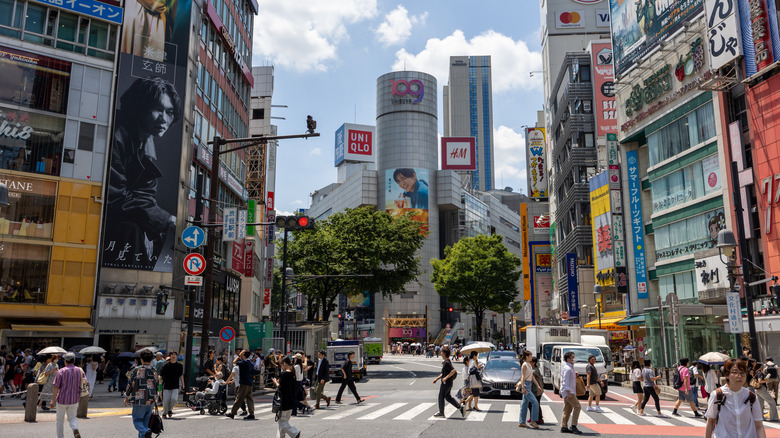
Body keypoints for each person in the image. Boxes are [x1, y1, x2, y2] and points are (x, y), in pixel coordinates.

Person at [104, 77, 181, 271]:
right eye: (157, 109)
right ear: (139, 106)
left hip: (119, 221)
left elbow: (144, 196)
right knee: (132, 232)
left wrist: (158, 224)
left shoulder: (145, 143)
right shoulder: (116, 136)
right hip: (98, 217)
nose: (163, 119)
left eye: (169, 112)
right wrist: (167, 220)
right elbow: (115, 197)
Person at [705, 358, 767, 438]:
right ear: (726, 375)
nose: (739, 376)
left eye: (742, 373)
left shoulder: (751, 396)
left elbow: (759, 426)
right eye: (735, 372)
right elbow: (710, 422)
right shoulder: (717, 395)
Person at [124, 349, 158, 438]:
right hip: (150, 399)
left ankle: (145, 431)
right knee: (145, 422)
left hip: (139, 399)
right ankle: (145, 431)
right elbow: (157, 384)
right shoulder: (154, 370)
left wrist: (127, 396)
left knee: (137, 420)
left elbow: (130, 384)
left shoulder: (137, 370)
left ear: (141, 359)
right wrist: (156, 397)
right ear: (151, 360)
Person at [51, 352, 86, 438]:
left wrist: (52, 400)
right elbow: (84, 383)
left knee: (59, 420)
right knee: (73, 418)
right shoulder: (80, 370)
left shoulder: (61, 371)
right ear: (74, 360)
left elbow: (56, 387)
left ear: (65, 361)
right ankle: (75, 429)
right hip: (74, 399)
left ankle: (60, 436)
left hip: (62, 399)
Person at [432, 345, 465, 418]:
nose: (440, 353)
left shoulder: (447, 363)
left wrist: (446, 378)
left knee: (441, 396)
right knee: (448, 397)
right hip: (449, 383)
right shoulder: (446, 362)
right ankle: (460, 407)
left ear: (444, 353)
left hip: (446, 383)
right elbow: (443, 374)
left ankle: (441, 412)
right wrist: (436, 379)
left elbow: (453, 370)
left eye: (441, 352)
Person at [225, 350, 255, 420]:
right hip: (249, 382)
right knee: (249, 398)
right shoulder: (250, 362)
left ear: (244, 355)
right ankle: (251, 413)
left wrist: (239, 355)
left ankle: (233, 413)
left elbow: (234, 362)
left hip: (244, 383)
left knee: (239, 398)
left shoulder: (244, 362)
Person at [276, 356, 301, 438]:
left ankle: (295, 433)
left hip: (284, 402)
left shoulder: (284, 374)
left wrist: (275, 382)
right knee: (284, 422)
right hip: (290, 401)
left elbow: (281, 388)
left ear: (284, 364)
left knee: (282, 422)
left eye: (281, 365)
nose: (281, 367)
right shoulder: (293, 374)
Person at [560, 351, 583, 434]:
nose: (574, 359)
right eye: (572, 357)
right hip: (569, 392)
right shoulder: (568, 368)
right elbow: (565, 382)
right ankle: (573, 425)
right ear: (568, 359)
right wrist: (568, 393)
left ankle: (564, 426)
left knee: (567, 409)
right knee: (577, 406)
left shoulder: (570, 368)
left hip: (569, 391)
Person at [517, 350, 541, 428]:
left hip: (529, 384)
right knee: (535, 402)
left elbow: (532, 376)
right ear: (527, 357)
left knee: (524, 404)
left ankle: (522, 422)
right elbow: (523, 376)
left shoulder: (529, 365)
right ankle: (533, 421)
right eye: (530, 356)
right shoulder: (524, 365)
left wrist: (538, 386)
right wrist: (523, 387)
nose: (531, 357)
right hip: (526, 385)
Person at [159, 351, 184, 418]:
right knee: (166, 401)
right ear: (170, 356)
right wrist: (159, 383)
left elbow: (181, 375)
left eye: (175, 355)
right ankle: (165, 413)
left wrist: (183, 384)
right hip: (166, 385)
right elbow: (160, 375)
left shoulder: (179, 366)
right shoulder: (165, 365)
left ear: (176, 356)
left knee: (174, 399)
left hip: (175, 385)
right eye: (172, 355)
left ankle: (170, 409)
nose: (173, 356)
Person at [530, 357, 545, 424]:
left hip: (536, 390)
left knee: (535, 404)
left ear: (533, 363)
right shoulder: (533, 369)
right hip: (535, 390)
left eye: (530, 362)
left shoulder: (534, 371)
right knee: (533, 404)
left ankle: (539, 418)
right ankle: (533, 417)